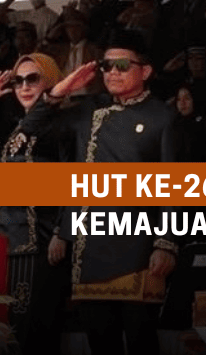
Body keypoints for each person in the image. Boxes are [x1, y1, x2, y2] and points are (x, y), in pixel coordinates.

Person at [23, 30, 179, 355]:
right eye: (107, 66)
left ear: (145, 71)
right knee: (100, 343)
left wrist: (166, 243)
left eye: (122, 65)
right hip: (90, 250)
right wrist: (60, 91)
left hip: (139, 249)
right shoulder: (89, 110)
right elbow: (33, 128)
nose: (112, 73)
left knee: (141, 343)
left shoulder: (163, 117)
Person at [0, 53, 69, 355]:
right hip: (7, 246)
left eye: (33, 79)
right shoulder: (10, 128)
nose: (24, 87)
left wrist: (62, 232)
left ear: (51, 81)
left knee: (32, 338)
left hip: (42, 245)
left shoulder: (64, 126)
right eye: (18, 81)